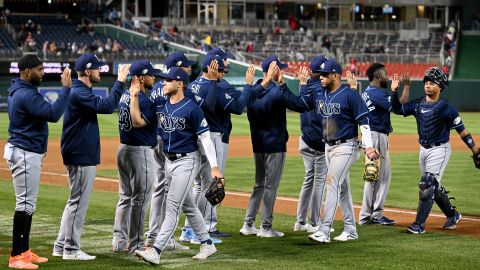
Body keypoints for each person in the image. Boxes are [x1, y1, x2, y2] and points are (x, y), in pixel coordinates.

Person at [278, 60, 379, 243]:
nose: (321, 78)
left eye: (324, 75)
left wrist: (369, 146)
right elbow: (298, 104)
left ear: (336, 76)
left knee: (331, 183)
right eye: (320, 74)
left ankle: (324, 231)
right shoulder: (319, 93)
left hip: (346, 146)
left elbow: (364, 121)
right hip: (328, 147)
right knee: (342, 189)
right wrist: (282, 86)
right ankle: (350, 229)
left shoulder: (349, 95)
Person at [132, 67, 223, 264]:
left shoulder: (192, 109)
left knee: (172, 206)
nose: (163, 82)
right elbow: (139, 120)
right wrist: (133, 94)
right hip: (168, 161)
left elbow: (205, 139)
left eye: (168, 80)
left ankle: (156, 250)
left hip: (187, 161)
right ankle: (207, 243)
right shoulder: (162, 106)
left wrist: (215, 167)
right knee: (188, 206)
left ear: (180, 83)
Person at [53, 54, 129, 260]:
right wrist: (120, 82)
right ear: (87, 71)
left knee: (74, 202)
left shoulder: (79, 91)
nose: (100, 71)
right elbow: (106, 106)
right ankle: (71, 249)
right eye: (97, 69)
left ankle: (61, 245)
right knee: (78, 203)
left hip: (78, 151)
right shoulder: (79, 92)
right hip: (80, 153)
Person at [390, 67, 478, 234]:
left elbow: (463, 131)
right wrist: (395, 92)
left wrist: (475, 150)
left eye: (432, 83)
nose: (428, 86)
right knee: (434, 188)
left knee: (427, 184)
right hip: (423, 150)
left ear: (440, 86)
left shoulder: (447, 108)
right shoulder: (417, 104)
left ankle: (419, 225)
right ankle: (452, 215)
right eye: (426, 83)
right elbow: (397, 110)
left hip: (440, 150)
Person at [5, 54, 71, 269]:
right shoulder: (26, 94)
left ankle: (24, 250)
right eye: (39, 69)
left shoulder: (22, 90)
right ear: (27, 72)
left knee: (29, 204)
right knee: (24, 204)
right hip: (25, 151)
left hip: (26, 150)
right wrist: (65, 88)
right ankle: (16, 256)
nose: (43, 72)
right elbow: (52, 114)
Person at [239, 56, 301, 238]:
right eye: (280, 68)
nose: (282, 71)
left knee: (259, 185)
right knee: (270, 186)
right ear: (273, 71)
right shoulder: (277, 91)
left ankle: (248, 224)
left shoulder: (253, 91)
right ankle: (266, 227)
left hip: (257, 144)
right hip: (275, 145)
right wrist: (282, 84)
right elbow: (297, 104)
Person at [144, 52, 196, 250]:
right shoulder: (178, 88)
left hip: (155, 141)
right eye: (186, 66)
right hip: (170, 144)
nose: (189, 69)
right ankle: (161, 238)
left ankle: (153, 235)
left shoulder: (157, 87)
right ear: (176, 67)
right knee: (172, 192)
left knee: (160, 189)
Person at [112, 60, 160, 255]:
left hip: (123, 149)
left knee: (125, 198)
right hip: (140, 152)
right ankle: (137, 245)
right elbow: (138, 122)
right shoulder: (144, 101)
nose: (154, 77)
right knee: (140, 200)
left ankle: (119, 241)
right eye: (151, 75)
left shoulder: (124, 95)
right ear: (141, 78)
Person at [358, 63, 410, 226]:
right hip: (376, 136)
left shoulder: (367, 92)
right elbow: (397, 107)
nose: (388, 77)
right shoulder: (376, 93)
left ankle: (368, 215)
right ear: (377, 76)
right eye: (385, 74)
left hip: (371, 135)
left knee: (373, 175)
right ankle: (372, 215)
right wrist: (405, 87)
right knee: (381, 177)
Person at [293, 55, 329, 233]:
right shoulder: (323, 90)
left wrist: (302, 84)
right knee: (319, 182)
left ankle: (300, 221)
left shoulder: (305, 87)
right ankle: (315, 223)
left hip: (304, 140)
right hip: (318, 142)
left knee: (308, 179)